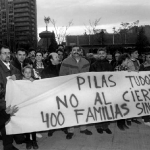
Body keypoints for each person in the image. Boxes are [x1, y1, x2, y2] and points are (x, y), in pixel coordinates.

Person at [59, 46, 92, 139]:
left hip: (82, 90)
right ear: (71, 52)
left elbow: (88, 76)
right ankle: (70, 130)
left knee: (83, 109)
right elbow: (62, 76)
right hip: (70, 90)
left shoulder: (86, 62)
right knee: (71, 110)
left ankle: (83, 128)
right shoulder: (65, 62)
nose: (76, 52)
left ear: (81, 52)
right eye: (74, 50)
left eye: (78, 50)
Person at [0, 44, 22, 150]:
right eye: (4, 53)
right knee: (5, 123)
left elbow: (20, 77)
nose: (7, 55)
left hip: (13, 100)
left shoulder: (13, 67)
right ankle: (7, 146)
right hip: (3, 101)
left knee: (9, 121)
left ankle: (11, 141)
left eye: (9, 53)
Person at [90, 47, 112, 134]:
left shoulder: (110, 65)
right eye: (100, 54)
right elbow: (91, 78)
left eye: (103, 53)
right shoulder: (93, 65)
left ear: (106, 54)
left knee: (106, 108)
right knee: (98, 109)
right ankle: (98, 126)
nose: (102, 55)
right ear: (97, 55)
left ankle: (105, 126)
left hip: (107, 91)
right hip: (97, 91)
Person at [21, 66, 38, 149]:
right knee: (26, 125)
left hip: (33, 107)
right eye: (26, 72)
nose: (28, 74)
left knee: (33, 124)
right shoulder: (19, 83)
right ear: (23, 73)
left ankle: (34, 141)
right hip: (24, 107)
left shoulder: (34, 82)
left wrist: (34, 82)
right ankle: (28, 141)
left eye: (29, 72)